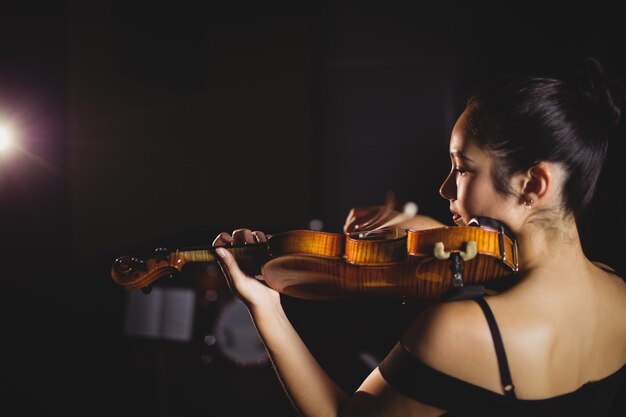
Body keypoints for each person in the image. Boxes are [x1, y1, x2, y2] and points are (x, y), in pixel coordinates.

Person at [212, 57, 626, 416]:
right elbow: (486, 260)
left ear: (533, 184)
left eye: (462, 169)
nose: (446, 189)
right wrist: (416, 227)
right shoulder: (617, 293)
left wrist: (264, 307)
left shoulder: (458, 333)